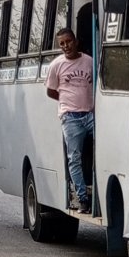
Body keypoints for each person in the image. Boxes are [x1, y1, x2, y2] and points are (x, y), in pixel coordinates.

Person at [45, 28, 94, 214]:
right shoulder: (56, 65)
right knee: (74, 159)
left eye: (68, 42)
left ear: (76, 41)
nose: (66, 46)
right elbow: (50, 91)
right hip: (70, 118)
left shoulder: (89, 62)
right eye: (62, 44)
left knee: (105, 150)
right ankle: (82, 199)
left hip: (91, 115)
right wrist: (67, 101)